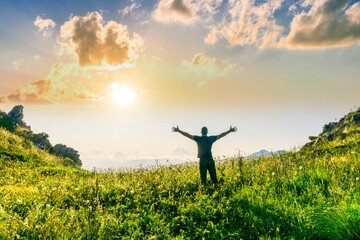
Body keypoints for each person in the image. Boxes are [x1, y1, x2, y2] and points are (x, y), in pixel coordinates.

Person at [172, 125, 237, 185]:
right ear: (207, 132)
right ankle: (217, 191)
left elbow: (187, 135)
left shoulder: (198, 138)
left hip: (202, 160)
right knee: (214, 179)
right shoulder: (211, 138)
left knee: (203, 179)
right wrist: (229, 131)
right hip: (210, 160)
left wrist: (179, 131)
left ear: (201, 132)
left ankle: (203, 192)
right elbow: (221, 135)